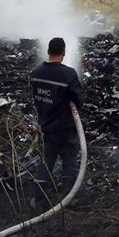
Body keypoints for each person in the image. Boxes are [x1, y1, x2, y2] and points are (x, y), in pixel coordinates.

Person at [29, 37, 83, 208]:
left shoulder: (36, 73)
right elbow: (78, 100)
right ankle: (68, 198)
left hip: (46, 126)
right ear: (63, 53)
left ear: (48, 51)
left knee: (46, 161)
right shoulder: (68, 74)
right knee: (69, 161)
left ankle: (38, 199)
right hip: (65, 127)